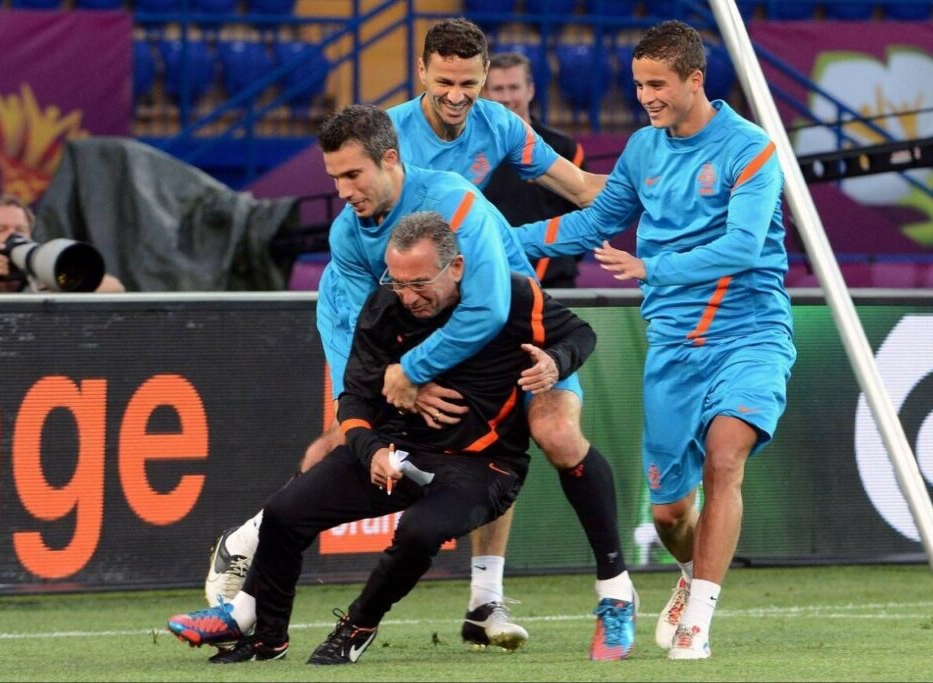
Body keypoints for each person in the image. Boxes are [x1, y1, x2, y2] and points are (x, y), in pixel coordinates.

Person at [207, 18, 636, 656]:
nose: (458, 95)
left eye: (470, 82)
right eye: (445, 83)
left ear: (485, 78)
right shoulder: (380, 144)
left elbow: (580, 192)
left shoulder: (498, 129)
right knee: (340, 437)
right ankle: (249, 603)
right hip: (399, 309)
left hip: (478, 297)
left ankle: (608, 594)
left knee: (549, 432)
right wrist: (404, 373)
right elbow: (369, 299)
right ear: (422, 75)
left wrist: (658, 193)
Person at [167, 211, 598, 666]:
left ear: (456, 268)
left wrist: (556, 361)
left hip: (484, 465)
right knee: (282, 512)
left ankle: (357, 627)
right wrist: (372, 451)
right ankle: (266, 638)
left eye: (419, 283)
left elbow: (580, 334)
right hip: (399, 448)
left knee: (418, 531)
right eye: (398, 282)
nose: (408, 296)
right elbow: (353, 399)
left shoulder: (508, 294)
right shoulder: (383, 305)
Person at [513, 20, 797, 660]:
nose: (646, 97)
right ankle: (692, 570)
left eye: (658, 84)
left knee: (726, 458)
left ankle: (698, 619)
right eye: (639, 84)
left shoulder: (749, 148)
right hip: (672, 345)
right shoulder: (643, 150)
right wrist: (502, 242)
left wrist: (653, 266)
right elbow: (595, 222)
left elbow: (745, 247)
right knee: (671, 513)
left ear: (695, 80)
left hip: (750, 331)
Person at [481, 51, 584, 288]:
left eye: (514, 87)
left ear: (530, 90)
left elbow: (583, 218)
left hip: (555, 284)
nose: (507, 97)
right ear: (486, 94)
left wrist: (558, 262)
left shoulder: (564, 148)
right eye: (498, 89)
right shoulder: (471, 150)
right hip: (490, 281)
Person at [0, 194, 125, 294]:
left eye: (20, 230)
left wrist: (67, 283)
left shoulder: (45, 268)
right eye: (1, 230)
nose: (12, 237)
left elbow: (115, 288)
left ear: (30, 236)